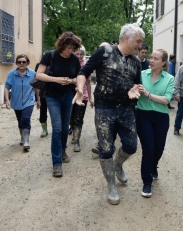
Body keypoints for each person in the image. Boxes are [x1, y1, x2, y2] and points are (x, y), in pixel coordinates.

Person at [74, 23, 144, 205]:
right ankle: (111, 185)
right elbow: (83, 72)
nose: (140, 45)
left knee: (131, 146)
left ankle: (118, 164)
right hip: (105, 109)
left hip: (127, 109)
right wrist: (80, 89)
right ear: (127, 38)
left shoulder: (136, 62)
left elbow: (137, 84)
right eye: (138, 41)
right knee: (105, 149)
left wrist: (135, 90)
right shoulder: (104, 52)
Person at [36, 31, 81, 177]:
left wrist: (71, 81)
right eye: (69, 48)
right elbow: (38, 74)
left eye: (73, 48)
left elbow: (79, 78)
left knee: (63, 128)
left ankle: (62, 150)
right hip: (52, 96)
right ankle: (56, 164)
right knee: (56, 128)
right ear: (62, 45)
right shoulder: (50, 55)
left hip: (68, 95)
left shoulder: (74, 59)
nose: (71, 51)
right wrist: (56, 79)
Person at [135, 49, 174, 197]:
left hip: (161, 117)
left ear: (164, 62)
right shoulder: (142, 75)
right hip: (143, 115)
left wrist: (148, 94)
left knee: (159, 148)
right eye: (151, 58)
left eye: (156, 59)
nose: (151, 60)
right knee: (148, 148)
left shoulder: (169, 78)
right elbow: (134, 90)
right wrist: (135, 91)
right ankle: (147, 182)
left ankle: (153, 166)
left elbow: (167, 99)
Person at [4, 54, 40, 151]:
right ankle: (22, 136)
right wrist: (7, 100)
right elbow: (7, 87)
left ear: (27, 63)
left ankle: (26, 141)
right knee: (20, 121)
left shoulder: (33, 74)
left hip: (29, 101)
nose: (21, 64)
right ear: (16, 63)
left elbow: (36, 87)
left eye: (23, 62)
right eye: (19, 62)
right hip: (16, 102)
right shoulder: (12, 74)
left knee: (25, 118)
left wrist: (38, 100)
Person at [69, 45, 93, 152]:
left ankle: (77, 140)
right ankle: (73, 132)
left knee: (78, 118)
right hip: (70, 95)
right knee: (71, 118)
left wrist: (90, 97)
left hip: (83, 96)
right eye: (77, 53)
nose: (79, 56)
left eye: (81, 54)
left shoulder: (86, 66)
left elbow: (88, 83)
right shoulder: (69, 64)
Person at [35, 59, 49, 137]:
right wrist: (38, 99)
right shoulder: (39, 66)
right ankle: (44, 129)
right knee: (43, 111)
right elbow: (37, 82)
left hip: (54, 92)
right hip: (43, 92)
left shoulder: (56, 64)